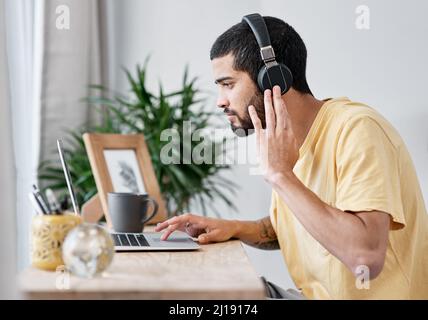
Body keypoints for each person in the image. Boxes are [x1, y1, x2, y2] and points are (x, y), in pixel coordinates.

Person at [155, 15, 428, 299]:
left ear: (273, 79)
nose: (220, 101)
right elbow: (297, 221)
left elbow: (366, 258)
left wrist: (281, 175)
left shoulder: (358, 129)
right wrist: (234, 227)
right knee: (196, 289)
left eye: (228, 84)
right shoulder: (288, 142)